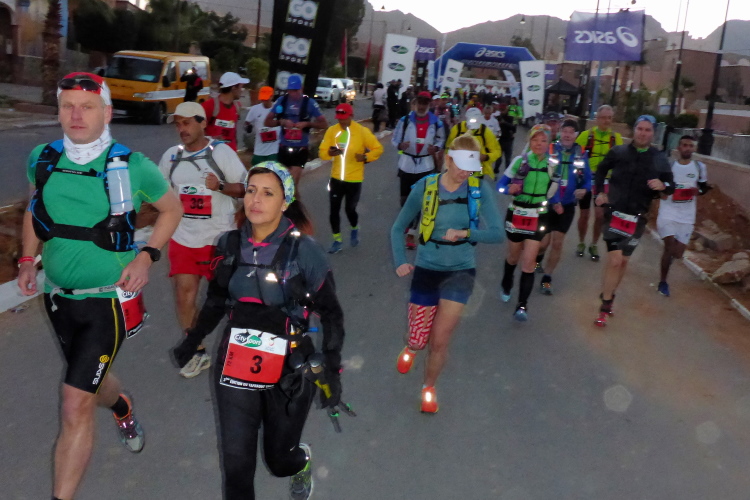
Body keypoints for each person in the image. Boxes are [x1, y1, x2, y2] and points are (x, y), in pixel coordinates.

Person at [17, 72, 182, 500]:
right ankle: (121, 405)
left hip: (107, 300)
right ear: (58, 112)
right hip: (58, 298)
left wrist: (147, 256)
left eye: (87, 107)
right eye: (67, 106)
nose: (76, 115)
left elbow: (172, 209)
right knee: (92, 381)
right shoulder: (42, 158)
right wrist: (27, 259)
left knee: (74, 402)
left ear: (106, 113)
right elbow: (35, 208)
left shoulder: (132, 165)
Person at [172, 162, 345, 500]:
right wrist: (193, 340)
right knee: (236, 466)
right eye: (251, 190)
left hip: (290, 365)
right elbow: (216, 300)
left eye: (267, 193)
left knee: (278, 460)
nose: (255, 199)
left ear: (285, 202)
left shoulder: (305, 250)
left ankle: (300, 462)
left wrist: (332, 368)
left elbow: (332, 313)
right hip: (236, 360)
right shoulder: (229, 244)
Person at [390, 135, 503, 413]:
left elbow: (497, 233)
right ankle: (412, 347)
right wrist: (401, 260)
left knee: (439, 340)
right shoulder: (425, 187)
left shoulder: (478, 189)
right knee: (419, 339)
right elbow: (398, 228)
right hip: (427, 269)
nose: (466, 173)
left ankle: (428, 388)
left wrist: (466, 233)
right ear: (448, 159)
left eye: (471, 167)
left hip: (460, 272)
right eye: (461, 165)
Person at [159, 101, 248, 378]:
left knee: (229, 301)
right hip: (184, 237)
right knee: (184, 295)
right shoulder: (171, 157)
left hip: (219, 238)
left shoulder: (221, 153)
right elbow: (158, 193)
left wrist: (219, 186)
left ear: (202, 123)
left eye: (187, 123)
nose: (181, 129)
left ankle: (241, 351)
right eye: (178, 124)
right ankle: (195, 350)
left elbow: (245, 188)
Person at [593, 115, 674, 326]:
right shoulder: (619, 152)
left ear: (653, 133)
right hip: (614, 213)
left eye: (647, 130)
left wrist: (663, 186)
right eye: (640, 128)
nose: (643, 133)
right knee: (615, 260)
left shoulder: (658, 158)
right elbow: (601, 170)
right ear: (634, 130)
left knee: (623, 262)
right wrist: (600, 192)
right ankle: (604, 307)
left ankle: (609, 294)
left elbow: (671, 185)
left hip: (637, 218)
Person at [497, 124, 560, 321]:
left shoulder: (552, 165)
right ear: (529, 141)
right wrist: (508, 190)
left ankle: (522, 306)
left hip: (538, 215)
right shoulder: (519, 161)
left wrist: (557, 203)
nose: (539, 144)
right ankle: (507, 281)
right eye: (535, 139)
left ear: (549, 143)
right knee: (513, 257)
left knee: (529, 263)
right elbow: (500, 186)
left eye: (543, 140)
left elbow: (555, 189)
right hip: (517, 213)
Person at [318, 103, 384, 253]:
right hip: (336, 178)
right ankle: (337, 240)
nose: (341, 121)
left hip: (354, 179)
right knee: (334, 210)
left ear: (351, 116)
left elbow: (378, 148)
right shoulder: (332, 131)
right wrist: (329, 153)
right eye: (339, 118)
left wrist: (365, 157)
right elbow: (322, 152)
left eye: (344, 118)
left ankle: (354, 227)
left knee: (350, 209)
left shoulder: (361, 131)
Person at [537, 120, 592, 294]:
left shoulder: (581, 154)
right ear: (560, 132)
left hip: (567, 206)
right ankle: (538, 257)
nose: (567, 135)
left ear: (576, 135)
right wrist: (554, 201)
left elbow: (588, 179)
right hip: (547, 204)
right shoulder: (550, 149)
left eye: (571, 132)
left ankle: (547, 278)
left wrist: (584, 189)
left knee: (557, 243)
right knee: (543, 243)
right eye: (565, 131)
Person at [391, 91, 446, 249]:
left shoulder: (436, 122)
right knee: (404, 200)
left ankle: (411, 233)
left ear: (429, 104)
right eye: (419, 103)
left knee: (419, 201)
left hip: (425, 165)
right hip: (406, 164)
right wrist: (400, 145)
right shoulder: (405, 120)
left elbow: (441, 139)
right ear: (415, 103)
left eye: (425, 103)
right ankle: (408, 223)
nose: (422, 106)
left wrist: (436, 147)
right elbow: (395, 139)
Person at [656, 135, 710, 297]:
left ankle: (668, 260)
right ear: (679, 148)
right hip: (668, 212)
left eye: (690, 145)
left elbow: (704, 187)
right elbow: (661, 187)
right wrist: (663, 193)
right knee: (669, 246)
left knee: (678, 253)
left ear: (694, 148)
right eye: (684, 145)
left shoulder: (699, 167)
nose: (687, 148)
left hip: (687, 216)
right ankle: (663, 282)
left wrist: (698, 191)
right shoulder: (670, 166)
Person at [575, 104, 623, 261]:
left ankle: (594, 244)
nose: (606, 121)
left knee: (600, 215)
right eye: (603, 117)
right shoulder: (586, 136)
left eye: (609, 118)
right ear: (597, 119)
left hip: (605, 181)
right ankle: (581, 242)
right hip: (587, 179)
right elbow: (576, 157)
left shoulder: (616, 138)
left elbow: (622, 161)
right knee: (584, 214)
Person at [264, 74, 328, 187]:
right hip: (283, 148)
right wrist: (282, 122)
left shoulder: (310, 103)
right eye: (291, 91)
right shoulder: (282, 101)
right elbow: (267, 122)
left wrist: (307, 124)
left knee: (291, 185)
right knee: (283, 186)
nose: (294, 93)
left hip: (300, 149)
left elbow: (324, 124)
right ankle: (294, 199)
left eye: (296, 90)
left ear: (301, 88)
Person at [445, 107, 501, 179]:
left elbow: (496, 151)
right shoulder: (457, 129)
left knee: (477, 184)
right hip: (459, 168)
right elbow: (448, 148)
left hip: (478, 170)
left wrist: (486, 157)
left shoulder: (485, 132)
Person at [201, 71, 249, 151]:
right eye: (241, 87)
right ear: (234, 88)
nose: (242, 90)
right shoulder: (209, 106)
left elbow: (233, 132)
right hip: (212, 154)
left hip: (230, 154)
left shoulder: (237, 106)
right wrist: (210, 138)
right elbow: (195, 130)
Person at [244, 85, 281, 165]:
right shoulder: (255, 109)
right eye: (263, 99)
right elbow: (247, 122)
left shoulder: (278, 109)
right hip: (259, 150)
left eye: (266, 98)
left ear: (272, 96)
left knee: (272, 170)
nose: (264, 101)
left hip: (274, 150)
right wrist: (248, 127)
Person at [497, 103, 517, 172]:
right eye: (500, 109)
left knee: (508, 159)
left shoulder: (511, 118)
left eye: (503, 110)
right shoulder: (498, 117)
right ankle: (496, 171)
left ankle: (507, 173)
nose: (502, 111)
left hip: (508, 141)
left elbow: (514, 129)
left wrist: (504, 123)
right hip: (499, 140)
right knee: (498, 158)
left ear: (506, 109)